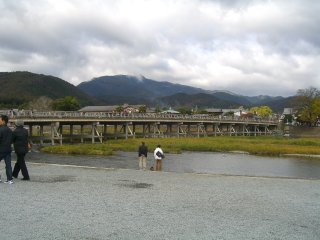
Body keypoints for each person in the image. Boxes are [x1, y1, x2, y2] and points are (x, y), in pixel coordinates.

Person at [0, 115, 13, 184]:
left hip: (1, 149)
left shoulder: (0, 129)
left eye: (0, 120)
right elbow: (11, 140)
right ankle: (9, 179)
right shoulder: (10, 130)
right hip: (8, 149)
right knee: (8, 165)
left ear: (3, 121)